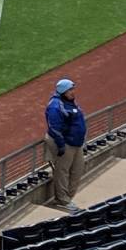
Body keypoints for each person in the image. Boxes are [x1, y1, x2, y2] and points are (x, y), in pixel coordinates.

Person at [44, 78, 88, 208]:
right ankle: (62, 200)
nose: (73, 92)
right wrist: (61, 144)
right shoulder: (55, 106)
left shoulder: (70, 102)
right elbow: (54, 127)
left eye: (73, 89)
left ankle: (68, 197)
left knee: (78, 170)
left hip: (77, 143)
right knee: (62, 172)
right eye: (70, 90)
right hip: (66, 143)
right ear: (63, 91)